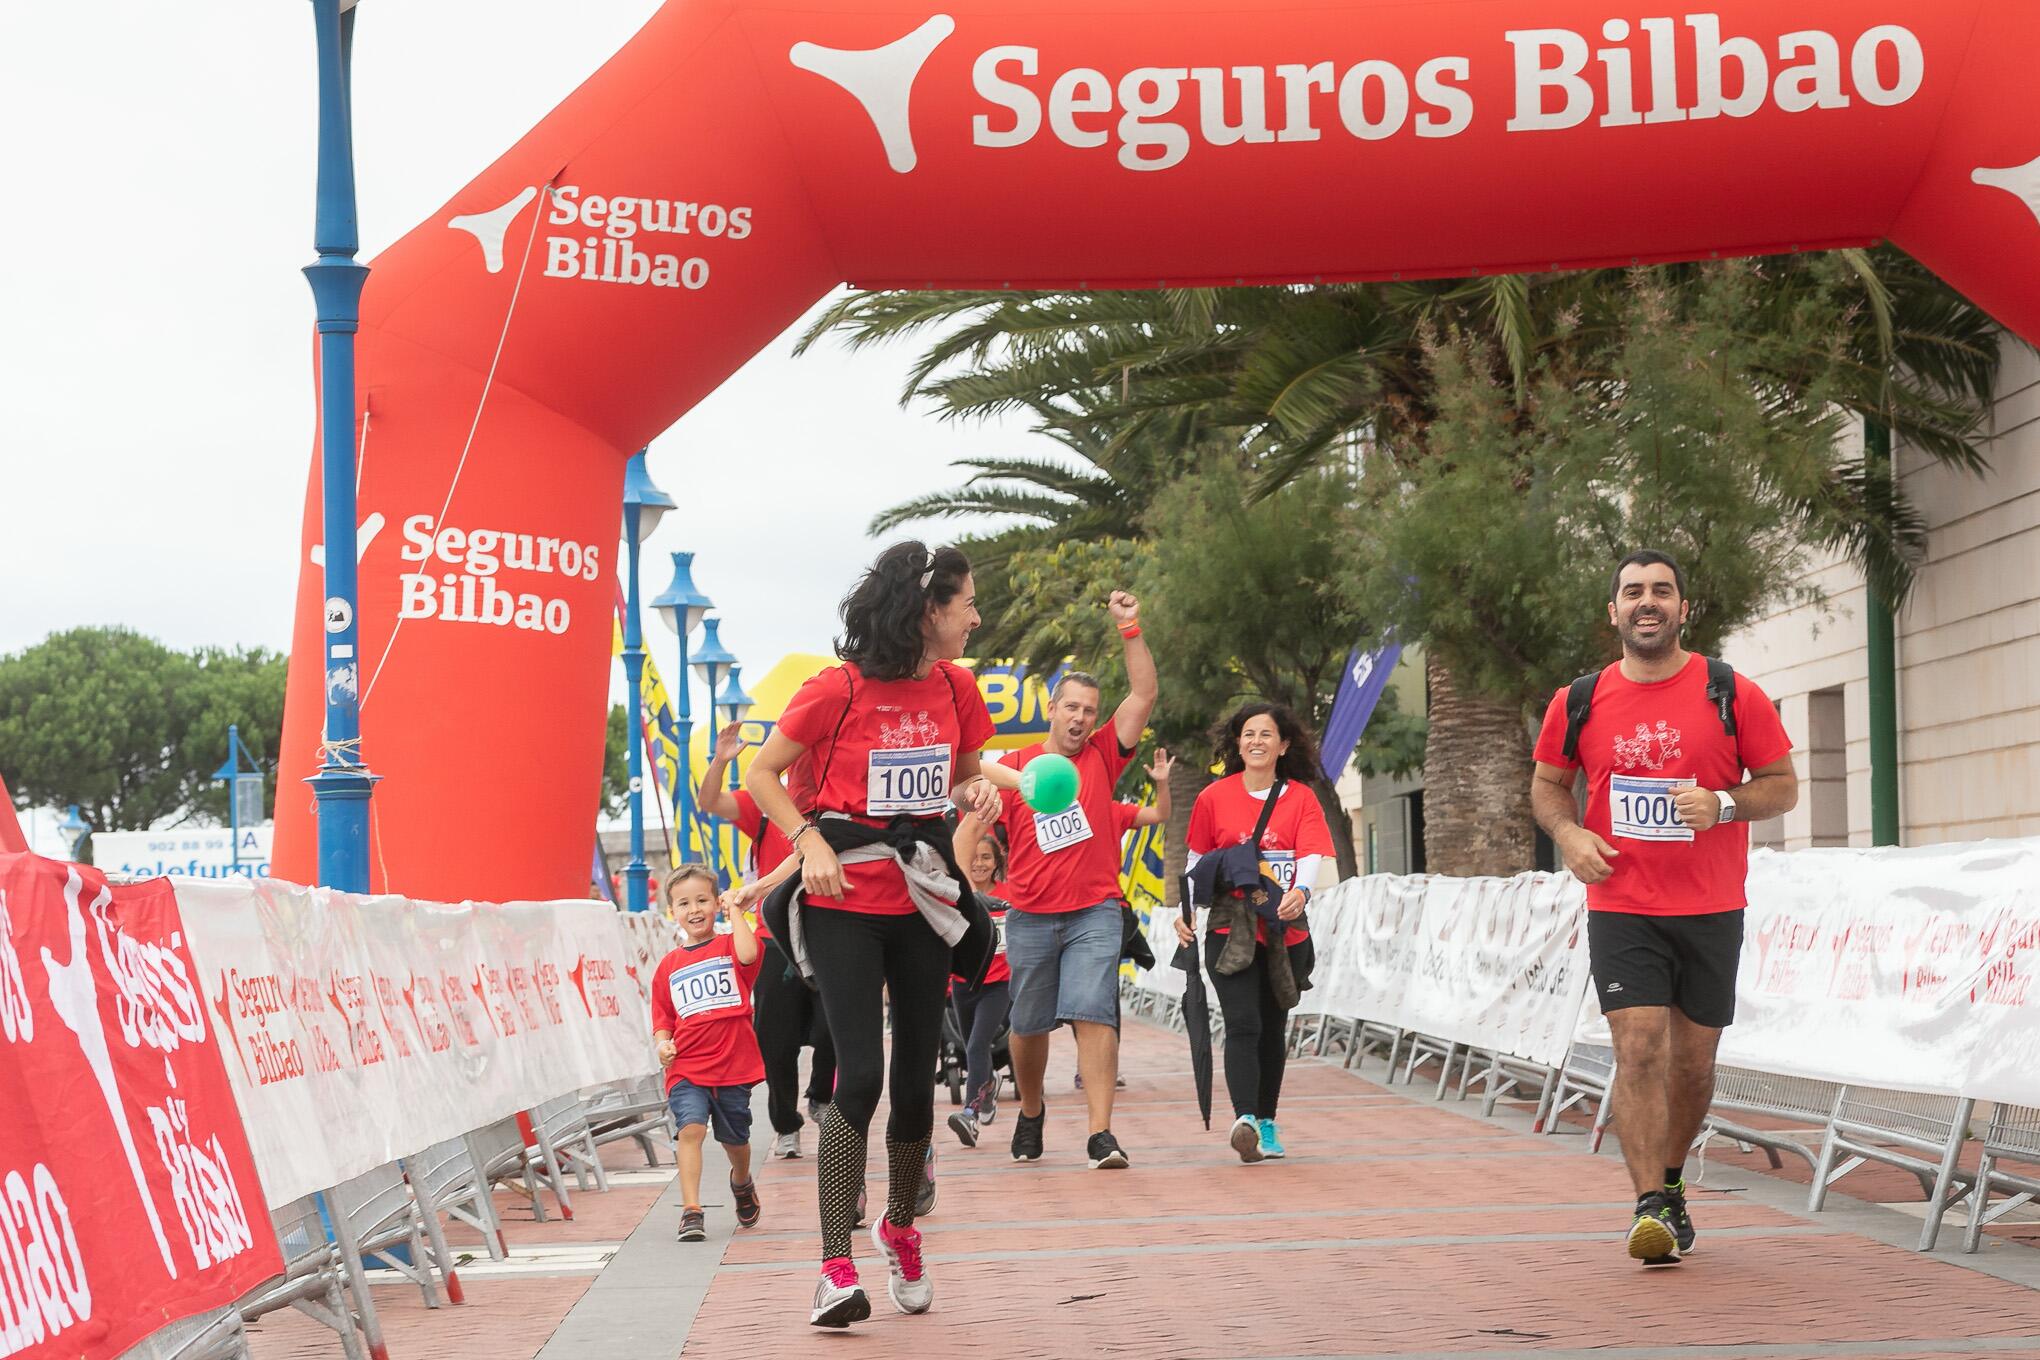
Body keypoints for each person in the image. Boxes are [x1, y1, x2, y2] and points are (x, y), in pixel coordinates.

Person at [746, 540, 1016, 1329]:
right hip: (842, 903)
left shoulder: (956, 687)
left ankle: (899, 1223)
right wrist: (810, 840)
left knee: (914, 1090)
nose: (975, 616)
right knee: (856, 1079)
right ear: (926, 611)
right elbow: (763, 774)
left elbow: (962, 772)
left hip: (922, 902)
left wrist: (976, 796)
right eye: (965, 602)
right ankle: (834, 1265)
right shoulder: (836, 689)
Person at [1530, 549, 1796, 1265]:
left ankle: (1672, 1184)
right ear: (1612, 611)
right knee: (1638, 1046)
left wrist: (1726, 804)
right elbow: (1548, 786)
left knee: (1694, 1066)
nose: (1648, 603)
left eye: (1662, 591)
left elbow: (1782, 785)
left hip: (1710, 905)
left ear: (1683, 609)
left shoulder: (1731, 691)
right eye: (1634, 592)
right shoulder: (1578, 700)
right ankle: (1649, 1205)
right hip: (1621, 902)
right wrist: (1568, 833)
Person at [996, 600, 1159, 1171]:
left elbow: (1142, 696)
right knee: (1027, 1024)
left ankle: (1100, 1134)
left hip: (1096, 909)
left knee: (1094, 1010)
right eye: (1072, 706)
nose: (1081, 718)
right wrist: (980, 798)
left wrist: (1129, 627)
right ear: (1051, 707)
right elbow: (968, 780)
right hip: (1031, 914)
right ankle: (1033, 1110)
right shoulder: (1015, 764)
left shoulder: (1104, 756)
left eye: (1090, 710)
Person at [1176, 704, 1332, 1164]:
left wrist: (1301, 890)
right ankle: (1244, 1119)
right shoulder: (1212, 797)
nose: (1257, 741)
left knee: (1272, 1027)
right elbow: (1194, 864)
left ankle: (1267, 1121)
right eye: (1248, 733)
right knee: (1243, 1022)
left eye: (1267, 734)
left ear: (1284, 745)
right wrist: (1185, 914)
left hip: (1284, 930)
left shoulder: (1300, 797)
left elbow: (1311, 855)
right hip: (1230, 927)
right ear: (1237, 743)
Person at [702, 722, 838, 1160]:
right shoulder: (764, 803)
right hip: (775, 938)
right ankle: (785, 1125)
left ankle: (821, 1096)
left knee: (833, 1028)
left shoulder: (836, 803)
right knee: (775, 1041)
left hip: (829, 931)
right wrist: (721, 761)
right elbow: (709, 802)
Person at [650, 865, 765, 1242]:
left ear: (716, 903)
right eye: (683, 903)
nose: (694, 909)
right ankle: (691, 1210)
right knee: (691, 1129)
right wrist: (663, 1043)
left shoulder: (732, 944)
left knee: (735, 1139)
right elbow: (663, 1018)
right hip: (687, 1066)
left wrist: (736, 910)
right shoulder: (668, 965)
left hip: (733, 1064)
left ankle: (742, 1181)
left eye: (702, 900)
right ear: (672, 911)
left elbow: (750, 954)